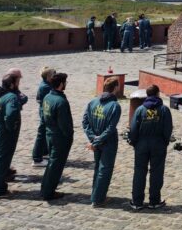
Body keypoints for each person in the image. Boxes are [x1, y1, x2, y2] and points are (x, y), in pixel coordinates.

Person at [129, 84, 172, 210]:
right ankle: (154, 201)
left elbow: (133, 129)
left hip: (141, 144)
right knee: (156, 172)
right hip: (158, 143)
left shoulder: (140, 110)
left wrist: (135, 143)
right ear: (158, 94)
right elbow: (168, 129)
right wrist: (165, 142)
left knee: (139, 172)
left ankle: (137, 201)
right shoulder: (164, 110)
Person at [82, 77, 122, 208]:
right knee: (105, 169)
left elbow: (85, 122)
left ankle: (96, 193)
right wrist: (97, 141)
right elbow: (111, 128)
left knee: (98, 168)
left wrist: (93, 139)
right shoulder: (115, 106)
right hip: (108, 142)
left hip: (96, 141)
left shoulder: (92, 102)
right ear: (115, 87)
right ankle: (98, 199)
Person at [41, 73, 74, 201]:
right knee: (56, 165)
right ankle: (48, 192)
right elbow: (65, 125)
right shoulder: (60, 102)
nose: (66, 84)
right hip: (59, 138)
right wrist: (69, 136)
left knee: (52, 163)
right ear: (61, 84)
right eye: (65, 82)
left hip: (49, 134)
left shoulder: (47, 97)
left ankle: (45, 188)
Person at [4, 68, 27, 181]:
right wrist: (9, 126)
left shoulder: (14, 90)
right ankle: (4, 172)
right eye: (18, 79)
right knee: (7, 149)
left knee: (10, 148)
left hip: (12, 122)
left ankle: (6, 167)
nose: (19, 82)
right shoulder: (9, 92)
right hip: (10, 124)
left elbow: (24, 97)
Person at [32, 66, 56, 167]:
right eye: (54, 74)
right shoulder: (46, 87)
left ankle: (44, 152)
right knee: (41, 134)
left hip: (44, 111)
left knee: (44, 132)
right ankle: (37, 158)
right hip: (45, 112)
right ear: (49, 76)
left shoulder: (46, 84)